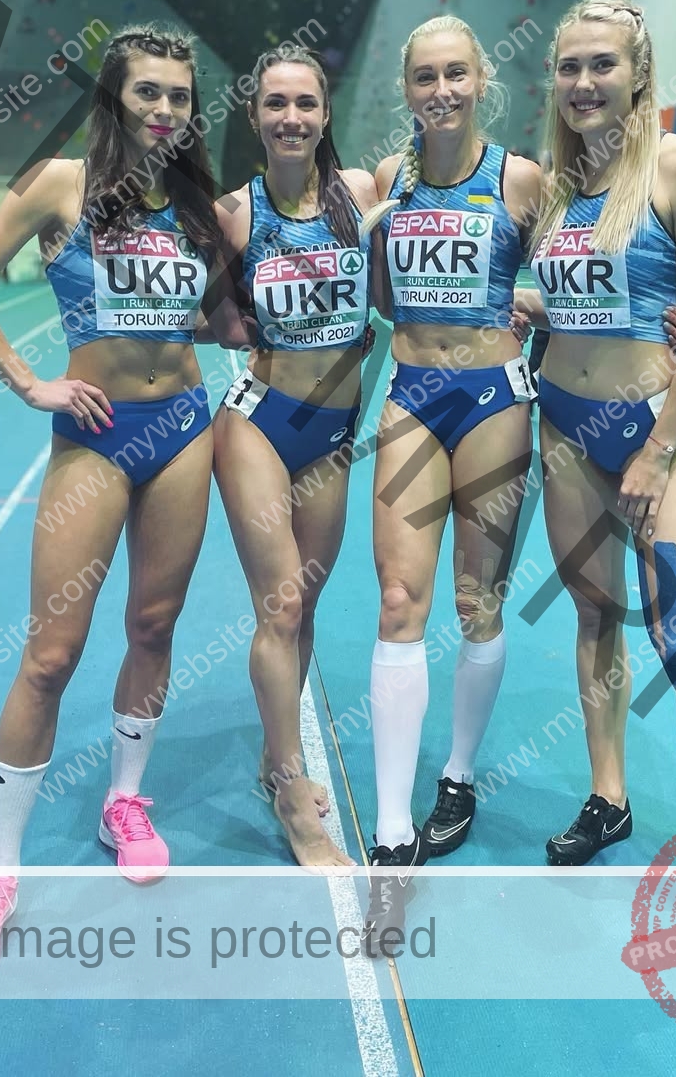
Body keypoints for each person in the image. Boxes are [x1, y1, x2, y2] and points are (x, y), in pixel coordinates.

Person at [0, 25, 246, 984]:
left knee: (153, 623)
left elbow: (232, 319)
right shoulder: (61, 184)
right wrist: (33, 384)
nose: (164, 110)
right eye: (146, 92)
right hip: (94, 437)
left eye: (180, 97)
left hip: (185, 428)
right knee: (51, 653)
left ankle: (125, 803)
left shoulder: (199, 206)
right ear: (112, 97)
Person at [522, 0, 676, 984]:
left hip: (658, 439)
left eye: (601, 66)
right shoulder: (550, 185)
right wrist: (528, 299)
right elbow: (568, 295)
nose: (584, 84)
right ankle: (608, 794)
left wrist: (659, 448)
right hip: (564, 429)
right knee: (594, 615)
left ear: (638, 72)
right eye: (569, 67)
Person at [355, 16, 543, 951]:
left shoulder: (521, 179)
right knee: (398, 598)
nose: (441, 90)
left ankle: (457, 776)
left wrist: (541, 302)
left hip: (497, 396)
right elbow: (383, 297)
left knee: (478, 600)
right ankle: (392, 840)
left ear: (481, 79)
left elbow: (577, 281)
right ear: (408, 86)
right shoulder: (390, 181)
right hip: (414, 395)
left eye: (455, 74)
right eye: (425, 75)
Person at [212, 46, 387, 868]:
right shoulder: (233, 214)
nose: (291, 117)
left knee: (305, 611)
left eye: (306, 103)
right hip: (260, 423)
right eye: (275, 103)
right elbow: (190, 312)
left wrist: (530, 301)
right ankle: (290, 791)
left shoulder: (362, 198)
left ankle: (267, 758)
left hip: (336, 433)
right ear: (255, 117)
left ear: (325, 114)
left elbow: (418, 289)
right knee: (279, 609)